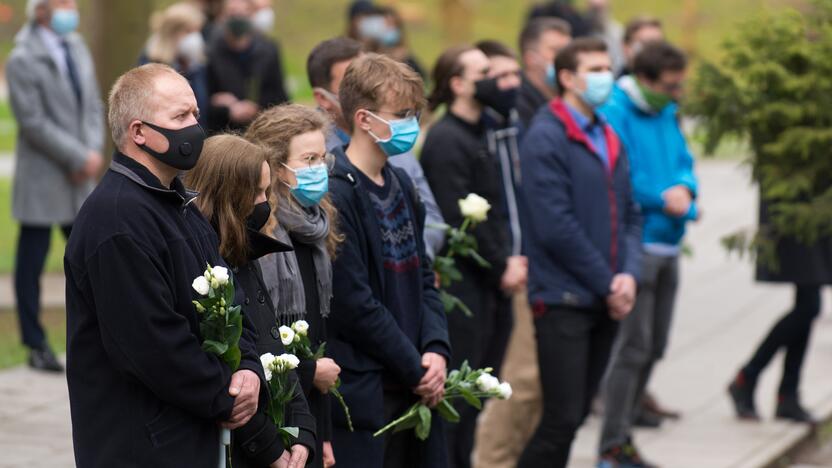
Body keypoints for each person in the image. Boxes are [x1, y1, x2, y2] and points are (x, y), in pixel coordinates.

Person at [65, 64, 263, 467]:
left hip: (188, 434)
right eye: (180, 117)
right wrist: (222, 393)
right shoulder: (117, 220)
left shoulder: (177, 202)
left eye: (195, 113)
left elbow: (230, 297)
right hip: (142, 445)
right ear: (138, 132)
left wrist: (247, 368)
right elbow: (149, 344)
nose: (195, 127)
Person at [516, 37, 641, 468]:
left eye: (609, 68)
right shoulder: (546, 136)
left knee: (577, 415)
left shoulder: (607, 134)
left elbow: (628, 214)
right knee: (561, 419)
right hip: (563, 297)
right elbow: (555, 226)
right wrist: (608, 281)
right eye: (596, 69)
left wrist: (628, 274)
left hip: (605, 295)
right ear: (567, 78)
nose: (607, 77)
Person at [328, 53, 451, 468]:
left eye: (414, 114)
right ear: (364, 119)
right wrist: (413, 366)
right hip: (372, 387)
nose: (410, 125)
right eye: (401, 114)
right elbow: (355, 303)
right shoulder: (338, 192)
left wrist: (435, 348)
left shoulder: (399, 181)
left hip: (415, 377)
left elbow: (424, 276)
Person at [421, 44, 526, 468]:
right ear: (459, 84)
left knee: (477, 398)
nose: (495, 80)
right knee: (458, 407)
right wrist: (502, 264)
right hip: (468, 285)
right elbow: (457, 218)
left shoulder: (484, 127)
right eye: (484, 72)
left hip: (492, 285)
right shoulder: (447, 140)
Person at [187, 134, 316, 468]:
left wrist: (303, 431)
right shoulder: (205, 269)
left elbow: (275, 350)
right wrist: (271, 450)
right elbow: (230, 372)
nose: (265, 203)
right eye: (256, 193)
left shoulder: (243, 254)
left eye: (267, 192)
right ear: (226, 193)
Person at [597, 40, 696, 468]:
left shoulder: (667, 112)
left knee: (655, 346)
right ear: (647, 80)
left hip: (670, 243)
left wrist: (687, 193)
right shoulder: (616, 112)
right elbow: (619, 178)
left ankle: (625, 437)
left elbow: (685, 163)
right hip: (638, 245)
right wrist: (663, 198)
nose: (676, 93)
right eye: (671, 86)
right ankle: (611, 446)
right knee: (632, 349)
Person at [245, 104, 345, 468]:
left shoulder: (316, 228)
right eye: (308, 159)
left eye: (323, 158)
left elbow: (317, 336)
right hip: (271, 413)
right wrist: (307, 373)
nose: (319, 168)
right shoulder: (261, 236)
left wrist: (324, 434)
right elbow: (255, 336)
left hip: (309, 414)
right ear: (276, 167)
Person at [9, 0, 104, 372]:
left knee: (92, 255)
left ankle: (101, 335)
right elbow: (32, 122)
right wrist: (76, 157)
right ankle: (35, 343)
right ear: (42, 10)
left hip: (82, 173)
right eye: (64, 2)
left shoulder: (76, 46)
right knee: (32, 260)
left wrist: (92, 152)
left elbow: (94, 103)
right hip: (45, 176)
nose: (72, 9)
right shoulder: (22, 59)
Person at [307, 36, 446, 259]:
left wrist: (417, 260)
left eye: (369, 75)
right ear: (322, 98)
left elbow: (431, 218)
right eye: (350, 80)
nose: (364, 87)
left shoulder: (393, 138)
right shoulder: (312, 155)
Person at [469, 40, 539, 468]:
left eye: (516, 75)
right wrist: (503, 260)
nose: (513, 85)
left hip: (525, 263)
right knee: (514, 384)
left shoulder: (516, 121)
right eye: (502, 77)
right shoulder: (476, 134)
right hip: (501, 273)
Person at [206, 0, 289, 133]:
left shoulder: (268, 50)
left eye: (244, 13)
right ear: (222, 16)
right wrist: (228, 108)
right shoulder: (211, 53)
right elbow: (204, 99)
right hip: (224, 132)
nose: (238, 19)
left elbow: (281, 95)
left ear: (252, 15)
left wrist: (256, 106)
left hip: (261, 129)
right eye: (232, 14)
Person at [141, 2, 209, 127]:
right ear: (172, 33)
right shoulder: (150, 68)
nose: (195, 38)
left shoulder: (196, 67)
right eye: (189, 31)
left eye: (197, 31)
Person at [517, 17, 572, 128]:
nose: (567, 58)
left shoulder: (571, 102)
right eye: (557, 51)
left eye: (570, 51)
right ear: (530, 59)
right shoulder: (517, 109)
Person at [585, 0, 625, 76]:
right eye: (594, 9)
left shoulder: (617, 31)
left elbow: (619, 63)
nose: (597, 14)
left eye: (599, 9)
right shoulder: (578, 29)